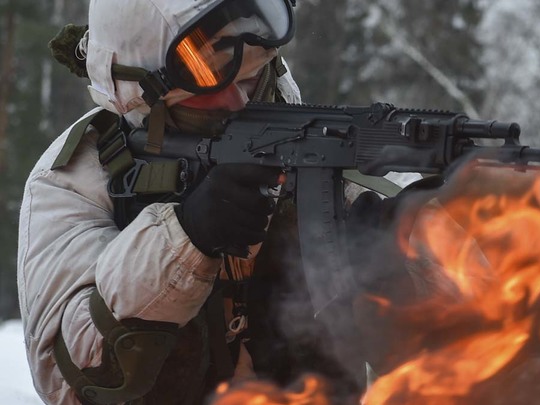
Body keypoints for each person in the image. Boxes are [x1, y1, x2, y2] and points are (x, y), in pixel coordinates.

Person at [14, 0, 346, 403]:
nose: (238, 103)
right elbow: (68, 380)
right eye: (210, 88)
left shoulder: (303, 136)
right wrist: (186, 238)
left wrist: (414, 226)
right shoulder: (71, 178)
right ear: (143, 98)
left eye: (249, 78)